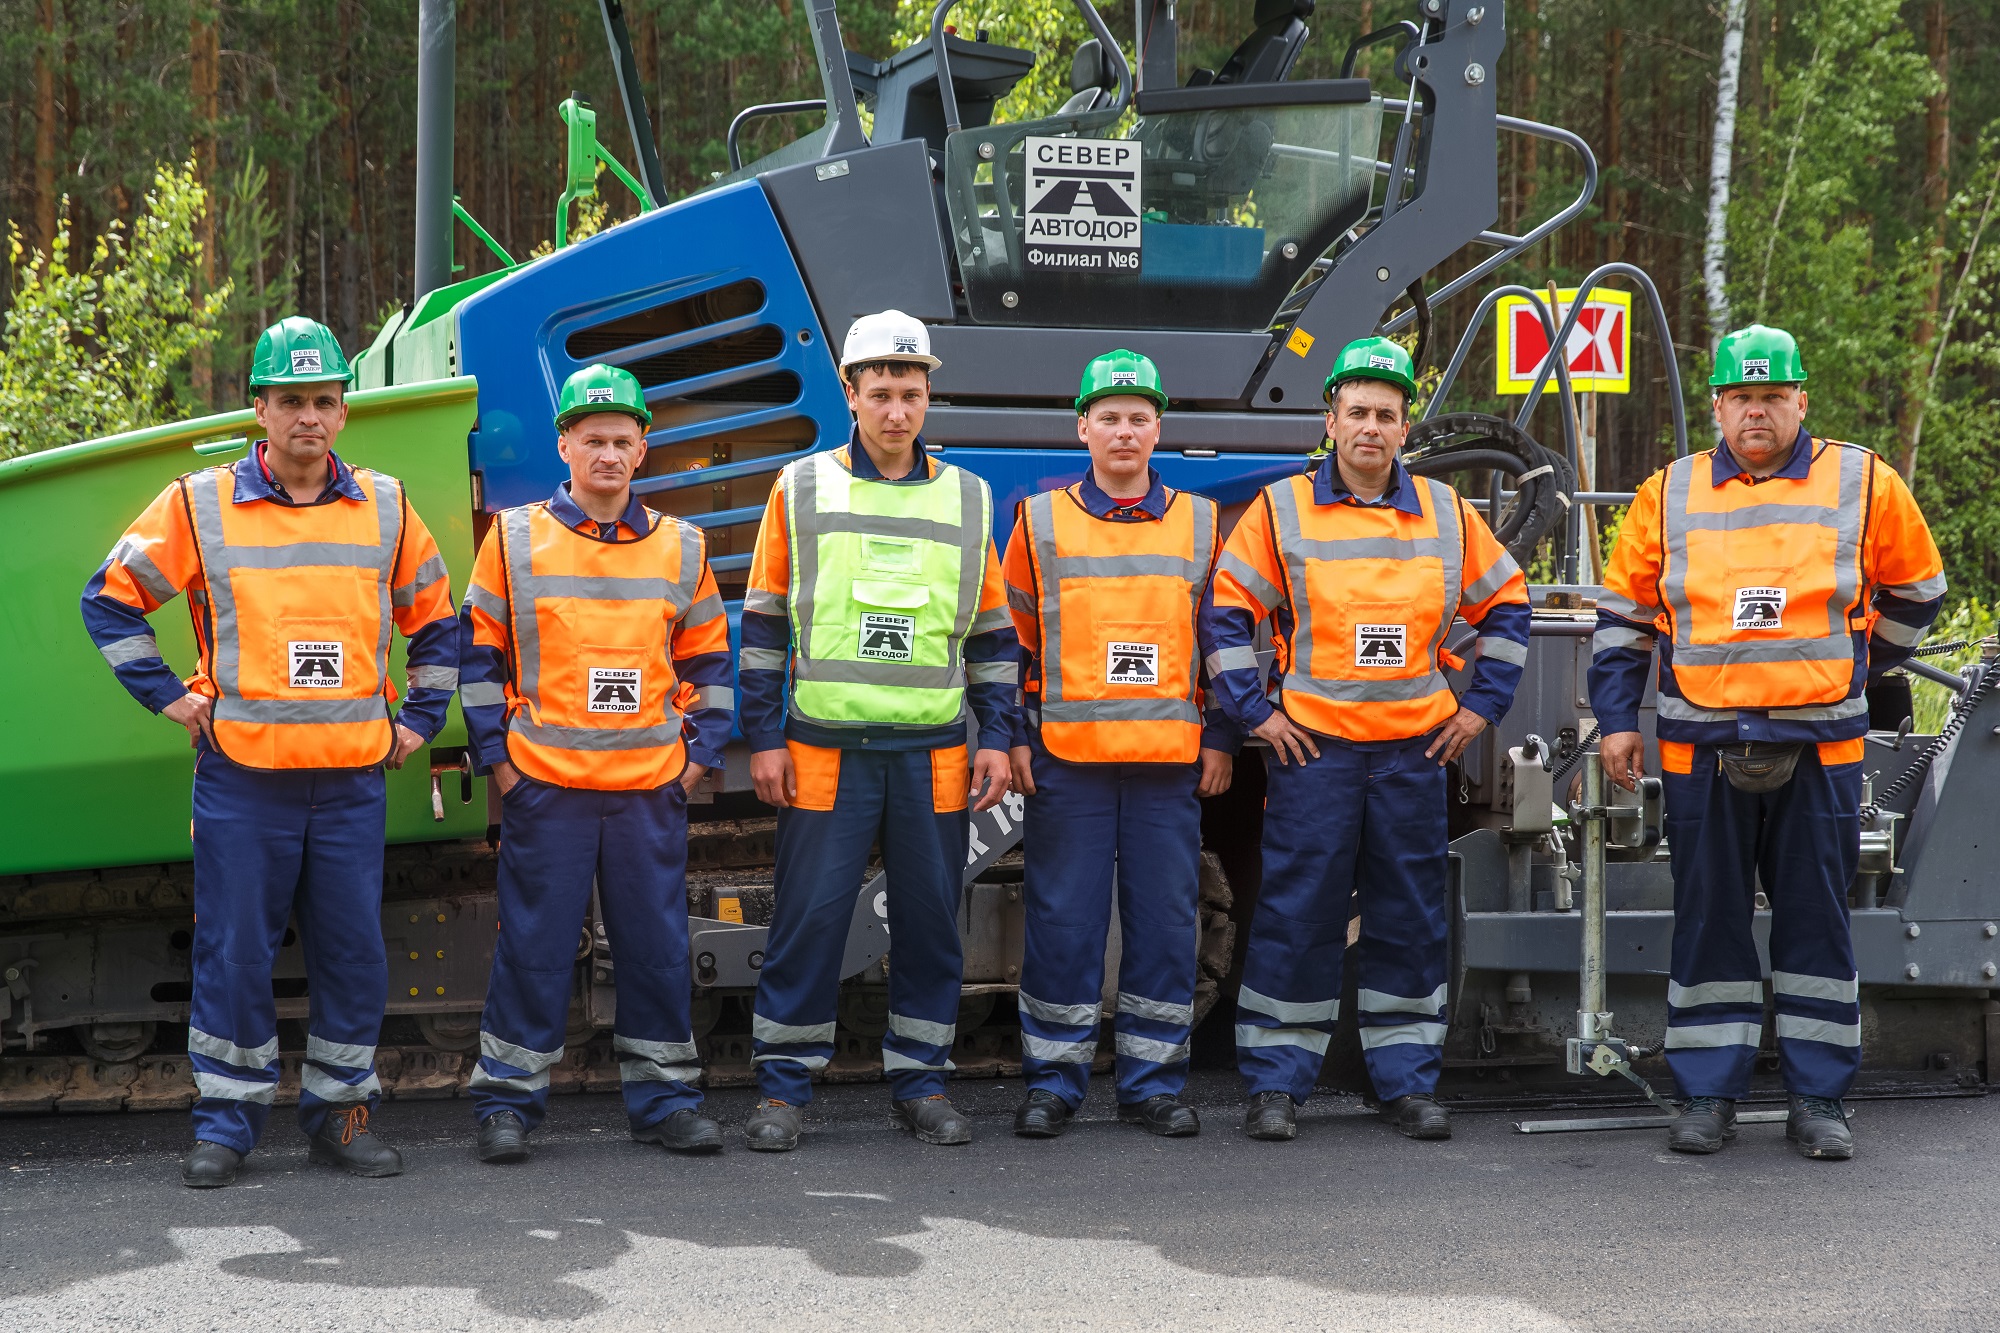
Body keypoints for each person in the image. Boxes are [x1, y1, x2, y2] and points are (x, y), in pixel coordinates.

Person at [81, 316, 460, 1188]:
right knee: (234, 951)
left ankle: (343, 1115)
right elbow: (109, 599)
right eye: (290, 401)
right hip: (243, 782)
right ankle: (227, 1125)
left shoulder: (389, 507)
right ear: (259, 408)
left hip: (351, 782)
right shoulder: (199, 503)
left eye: (325, 401)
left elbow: (439, 625)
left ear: (343, 410)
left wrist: (419, 719)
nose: (309, 419)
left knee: (352, 953)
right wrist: (172, 697)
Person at [1589, 324, 1944, 1161]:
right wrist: (1613, 722)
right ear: (1717, 404)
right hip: (1698, 747)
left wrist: (1862, 661)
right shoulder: (1668, 493)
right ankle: (1707, 1094)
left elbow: (1920, 590)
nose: (1757, 412)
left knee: (1817, 920)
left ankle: (1818, 1098)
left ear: (1801, 401)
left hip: (1820, 746)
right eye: (1741, 397)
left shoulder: (1862, 481)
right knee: (1708, 922)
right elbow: (1622, 624)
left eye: (1772, 397)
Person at [1202, 336, 1530, 1143]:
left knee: (1410, 915)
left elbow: (1509, 606)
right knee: (1296, 912)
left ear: (1405, 425)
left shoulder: (1450, 516)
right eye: (1357, 411)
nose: (1371, 427)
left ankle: (1406, 1081)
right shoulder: (1282, 511)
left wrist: (1479, 707)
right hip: (1314, 750)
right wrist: (1257, 713)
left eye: (1386, 413)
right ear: (1331, 419)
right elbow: (1226, 614)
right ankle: (1277, 1084)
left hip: (1413, 752)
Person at [737, 310, 1018, 1151]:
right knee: (809, 920)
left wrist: (997, 735)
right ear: (850, 395)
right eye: (882, 392)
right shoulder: (800, 488)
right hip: (824, 748)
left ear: (928, 397)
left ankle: (921, 1082)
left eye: (912, 392)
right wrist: (762, 736)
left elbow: (993, 635)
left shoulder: (970, 498)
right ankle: (783, 1090)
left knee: (931, 922)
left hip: (932, 749)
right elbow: (762, 621)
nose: (897, 409)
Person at [457, 363, 734, 1163]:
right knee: (533, 946)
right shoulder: (512, 541)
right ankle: (507, 1104)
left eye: (622, 439)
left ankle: (666, 1100)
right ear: (565, 446)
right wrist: (500, 766)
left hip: (649, 790)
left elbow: (711, 662)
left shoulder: (682, 547)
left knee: (655, 948)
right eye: (592, 439)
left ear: (643, 449)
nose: (607, 453)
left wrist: (695, 763)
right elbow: (479, 658)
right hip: (548, 786)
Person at [1002, 349, 1234, 1140]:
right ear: (1083, 428)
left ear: (1157, 428)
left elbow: (1227, 643)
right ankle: (1054, 1083)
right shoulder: (1037, 524)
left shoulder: (1202, 523)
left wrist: (1223, 740)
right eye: (1110, 417)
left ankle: (1152, 1083)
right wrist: (1015, 736)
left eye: (1139, 417)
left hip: (1168, 765)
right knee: (1063, 923)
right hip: (1068, 759)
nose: (1124, 431)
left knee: (1167, 923)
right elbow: (1013, 643)